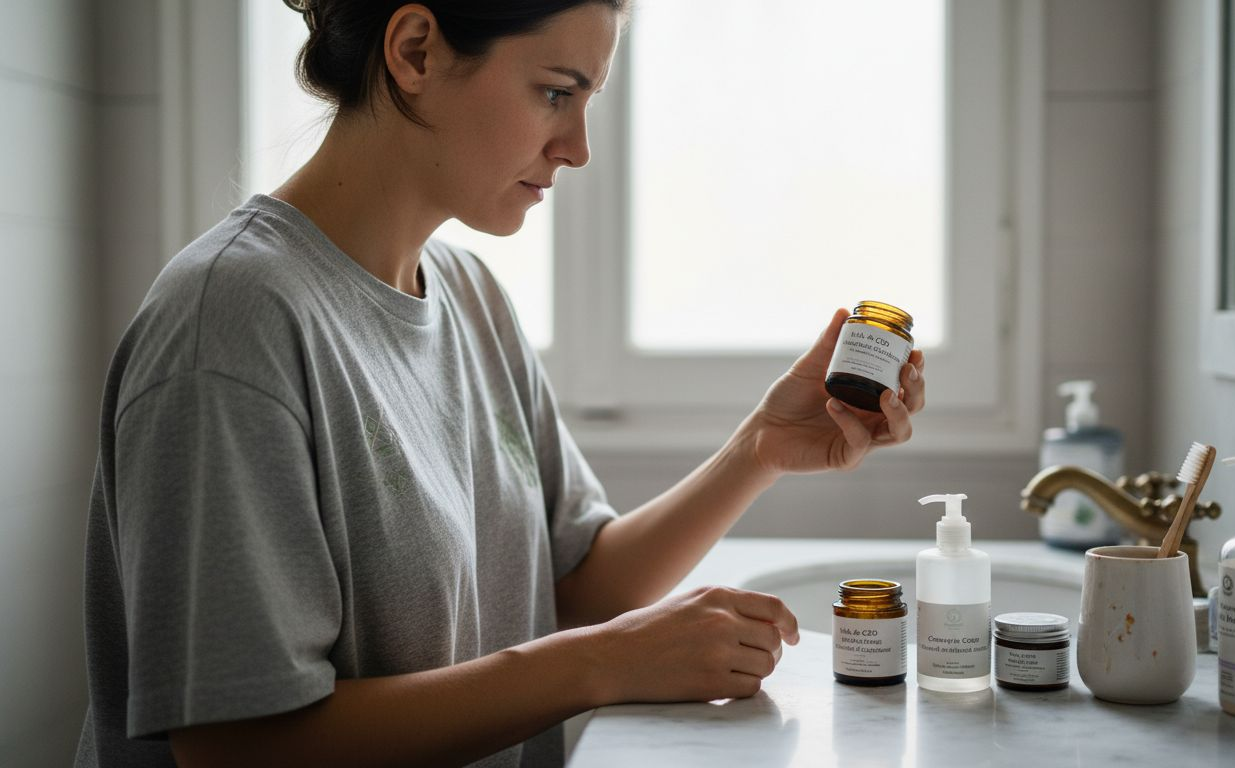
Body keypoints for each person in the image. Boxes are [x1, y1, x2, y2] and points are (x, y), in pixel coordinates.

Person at [75, 2, 927, 766]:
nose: (578, 148)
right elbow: (239, 747)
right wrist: (604, 663)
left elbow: (576, 589)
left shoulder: (469, 294)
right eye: (556, 92)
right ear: (415, 50)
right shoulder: (230, 324)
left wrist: (760, 449)